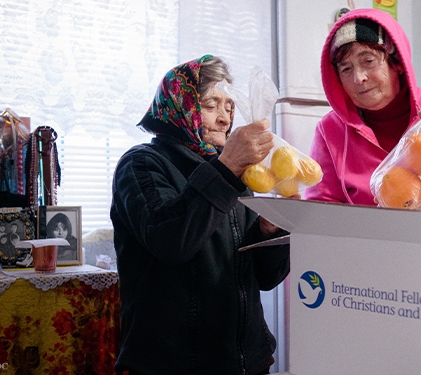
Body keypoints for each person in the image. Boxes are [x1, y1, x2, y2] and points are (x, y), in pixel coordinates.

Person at [110, 55, 290, 375]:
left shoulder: (236, 174)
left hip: (250, 362)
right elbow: (172, 242)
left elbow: (266, 278)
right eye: (211, 105)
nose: (225, 119)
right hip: (172, 366)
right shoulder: (141, 165)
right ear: (180, 104)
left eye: (230, 107)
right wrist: (228, 168)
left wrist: (271, 232)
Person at [305, 9, 421, 227]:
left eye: (368, 61)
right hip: (368, 256)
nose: (358, 78)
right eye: (346, 69)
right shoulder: (331, 130)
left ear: (396, 63)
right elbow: (319, 217)